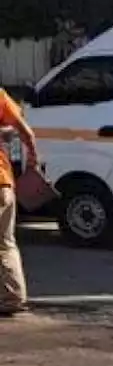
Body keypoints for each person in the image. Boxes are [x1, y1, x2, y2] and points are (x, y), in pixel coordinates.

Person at [0, 89, 37, 318]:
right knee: (5, 243)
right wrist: (33, 160)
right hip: (3, 183)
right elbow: (26, 133)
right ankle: (13, 297)